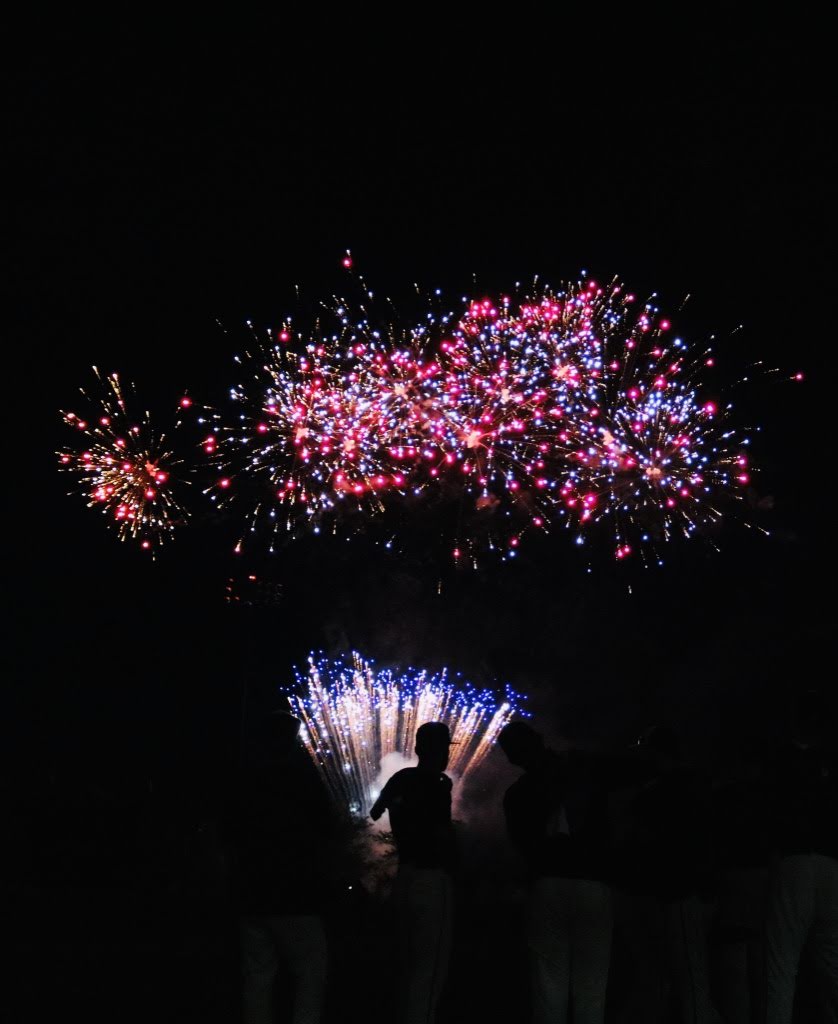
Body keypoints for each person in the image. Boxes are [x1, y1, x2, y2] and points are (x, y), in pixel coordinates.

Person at [497, 721, 612, 1024]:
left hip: (546, 885)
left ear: (512, 757)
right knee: (591, 988)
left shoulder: (517, 794)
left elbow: (520, 848)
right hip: (592, 882)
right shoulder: (583, 770)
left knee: (548, 987)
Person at [223, 710, 333, 1024]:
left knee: (257, 977)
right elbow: (326, 826)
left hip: (250, 894)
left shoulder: (244, 779)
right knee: (311, 973)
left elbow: (228, 835)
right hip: (294, 893)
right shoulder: (300, 778)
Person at [369, 721, 455, 1024]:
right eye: (445, 747)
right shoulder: (440, 783)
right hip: (433, 876)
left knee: (406, 962)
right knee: (429, 969)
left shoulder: (401, 778)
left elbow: (376, 811)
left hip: (405, 875)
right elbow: (442, 833)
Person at [764, 689, 838, 1024]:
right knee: (830, 962)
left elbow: (771, 813)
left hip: (795, 860)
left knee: (781, 964)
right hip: (830, 863)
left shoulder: (782, 761)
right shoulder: (829, 763)